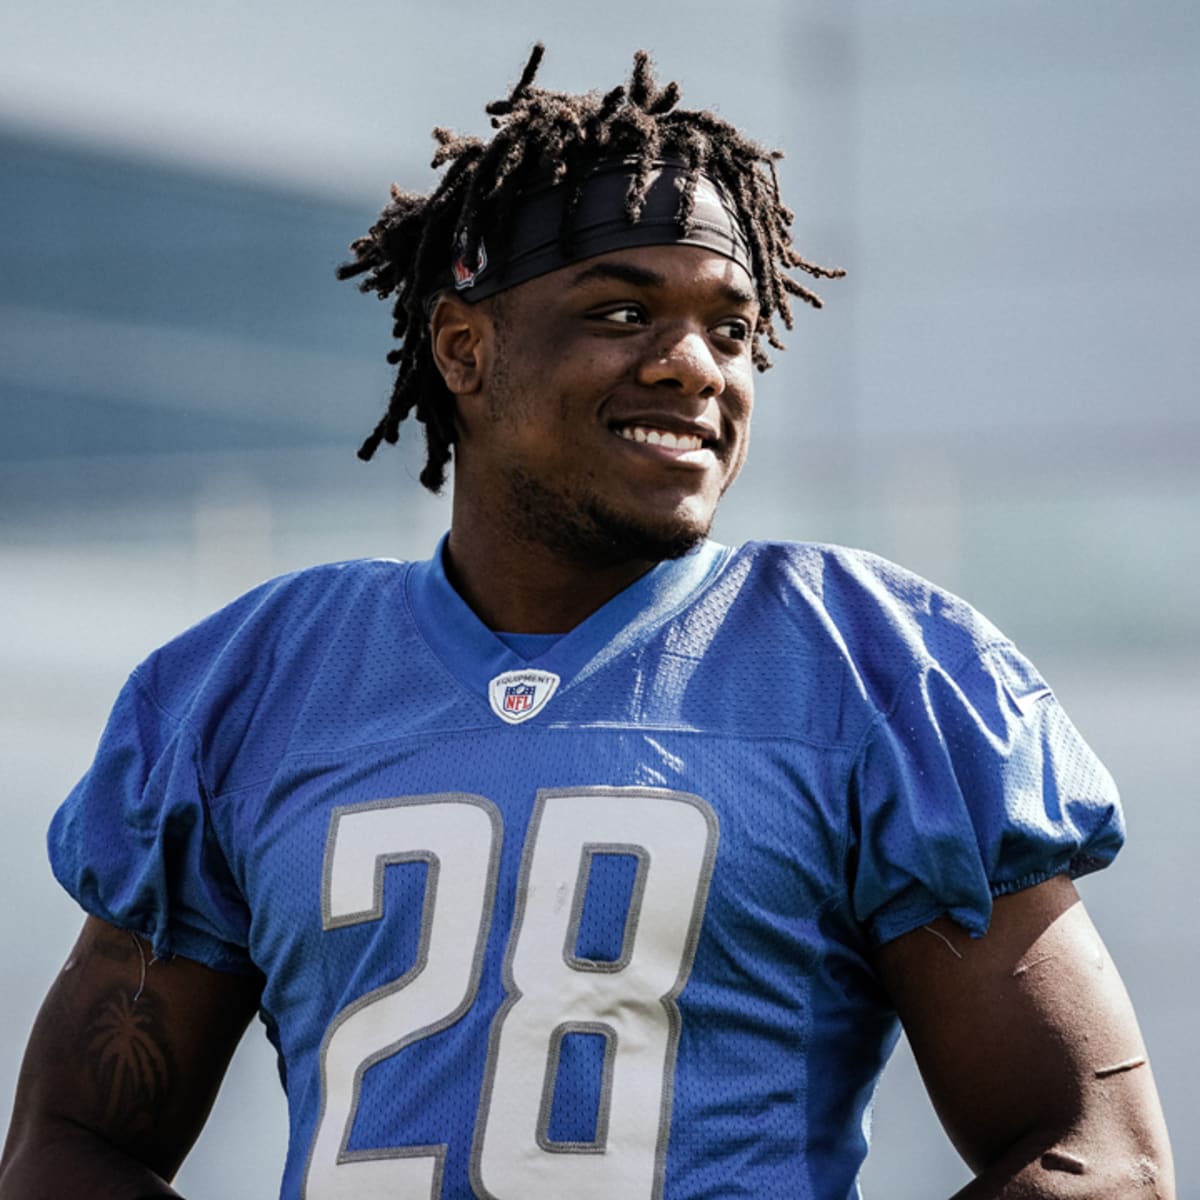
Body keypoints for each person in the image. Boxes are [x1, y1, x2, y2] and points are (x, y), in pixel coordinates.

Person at [0, 44, 1174, 1200]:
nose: (692, 368)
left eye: (730, 328)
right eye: (621, 311)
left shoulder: (873, 665)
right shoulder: (257, 681)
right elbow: (70, 1145)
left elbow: (1095, 1153)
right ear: (465, 347)